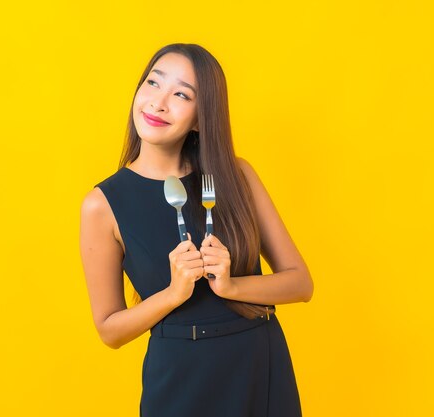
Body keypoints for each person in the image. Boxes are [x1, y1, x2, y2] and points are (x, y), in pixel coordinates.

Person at [79, 43, 314, 417]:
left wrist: (232, 286)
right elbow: (110, 330)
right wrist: (173, 294)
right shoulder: (102, 204)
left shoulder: (236, 175)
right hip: (181, 376)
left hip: (258, 362)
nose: (158, 102)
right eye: (153, 83)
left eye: (181, 94)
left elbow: (301, 284)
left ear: (201, 118)